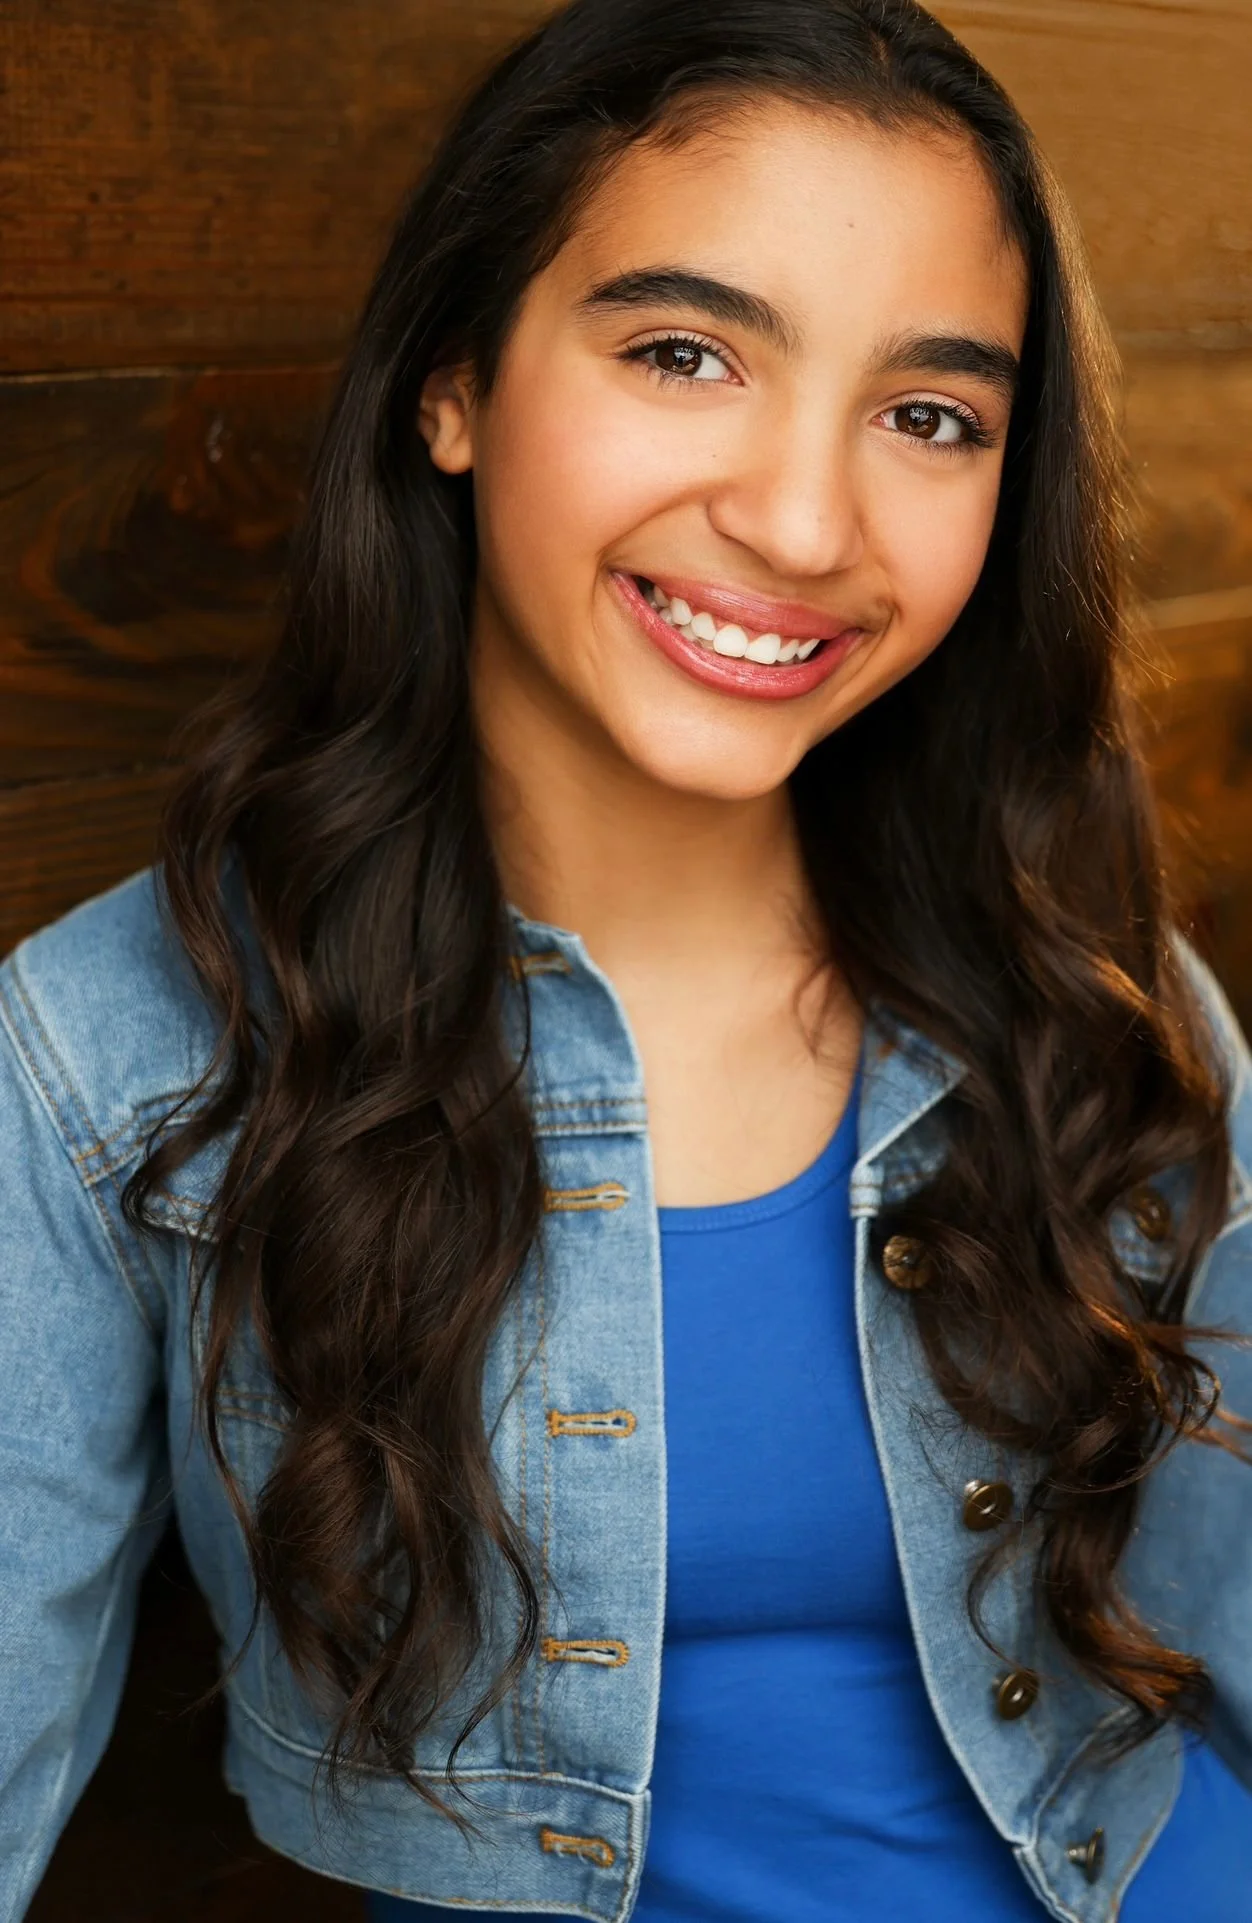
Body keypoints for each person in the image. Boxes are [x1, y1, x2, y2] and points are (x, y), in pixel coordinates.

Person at [2, 0, 1251, 1918]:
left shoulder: (1091, 977)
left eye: (931, 416)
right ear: (452, 382)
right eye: (685, 352)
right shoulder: (115, 1060)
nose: (805, 519)